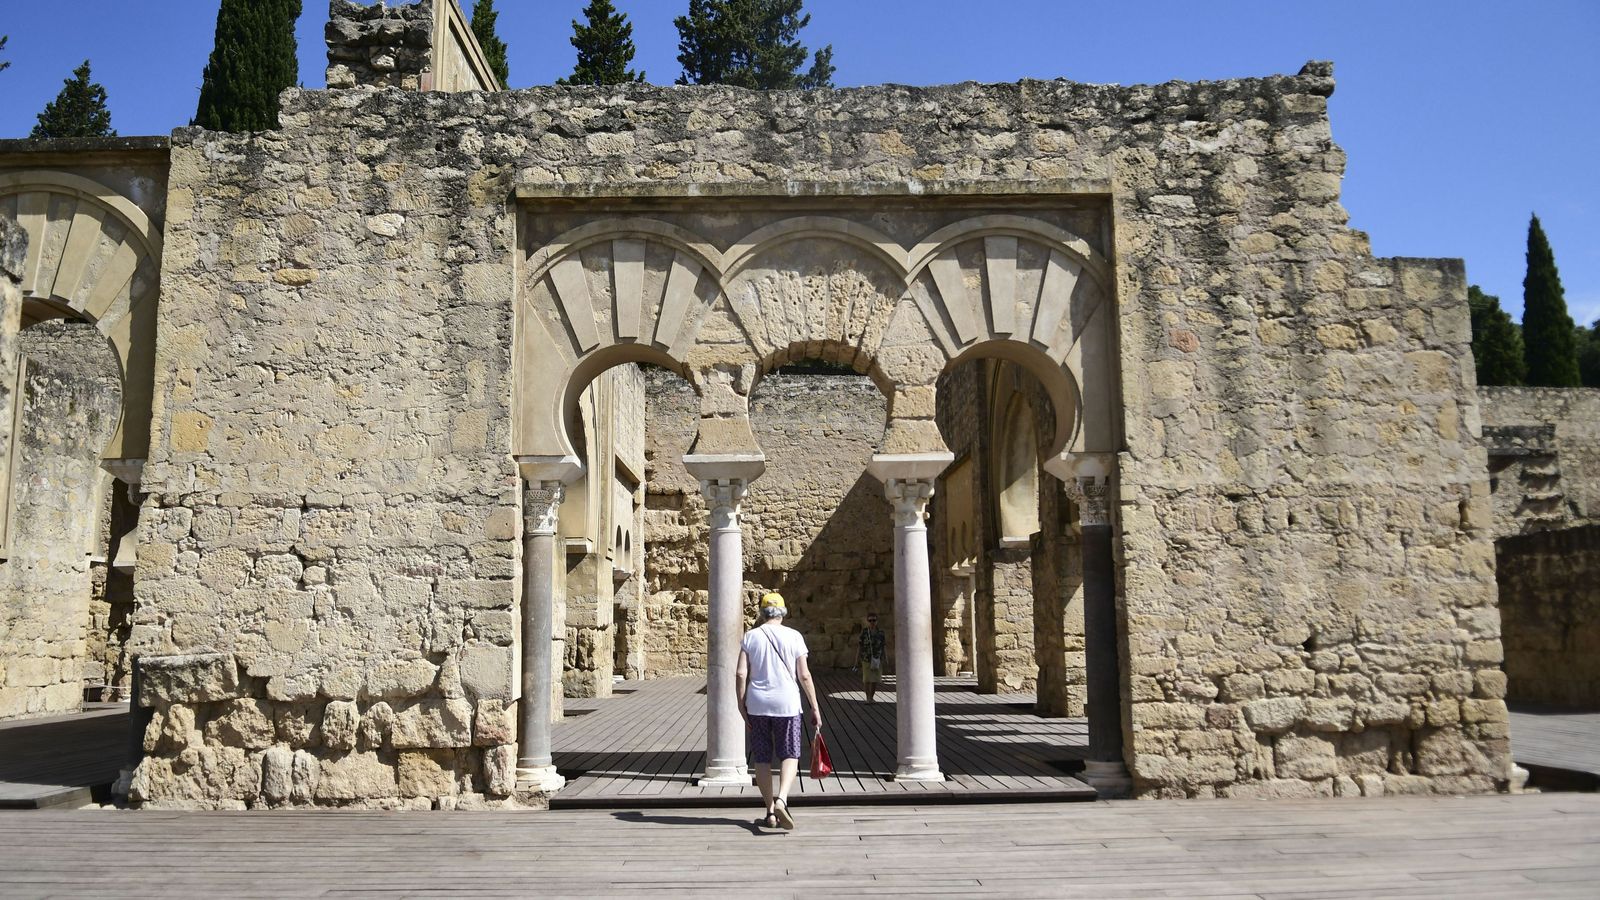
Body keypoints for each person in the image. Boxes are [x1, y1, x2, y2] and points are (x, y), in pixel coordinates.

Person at [737, 591, 821, 831]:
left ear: (762, 613)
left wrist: (741, 703)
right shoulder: (794, 636)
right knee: (790, 753)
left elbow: (741, 673)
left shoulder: (751, 636)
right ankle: (782, 799)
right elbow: (804, 675)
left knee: (762, 757)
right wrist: (814, 706)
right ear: (783, 612)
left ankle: (770, 812)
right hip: (787, 704)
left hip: (758, 703)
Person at [856, 612, 886, 702]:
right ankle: (868, 697)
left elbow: (884, 646)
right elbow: (859, 646)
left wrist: (885, 658)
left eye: (874, 620)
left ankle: (871, 697)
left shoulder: (881, 633)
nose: (872, 622)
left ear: (877, 621)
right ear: (867, 621)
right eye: (870, 620)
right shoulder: (864, 632)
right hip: (866, 658)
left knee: (874, 679)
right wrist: (856, 659)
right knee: (867, 678)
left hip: (877, 658)